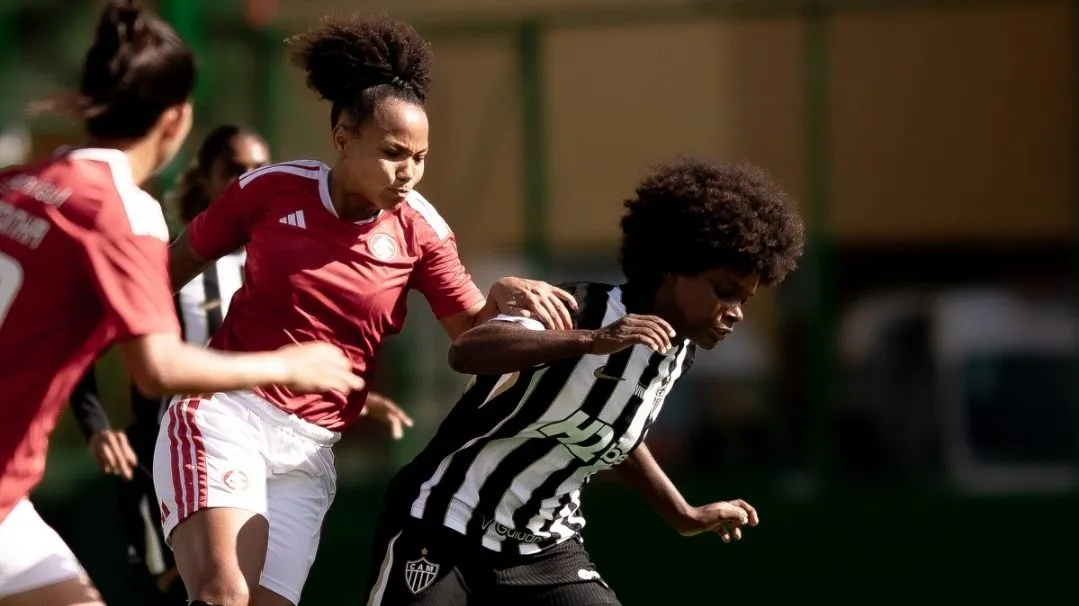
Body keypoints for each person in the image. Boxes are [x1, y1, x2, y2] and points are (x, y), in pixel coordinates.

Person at [156, 12, 576, 606]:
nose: (409, 173)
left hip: (310, 449)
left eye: (421, 157)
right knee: (226, 595)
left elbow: (473, 344)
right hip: (227, 417)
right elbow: (166, 272)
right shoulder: (269, 189)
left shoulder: (423, 232)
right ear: (343, 139)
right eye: (394, 152)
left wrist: (502, 296)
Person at [0, 2, 363, 605]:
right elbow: (159, 367)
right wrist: (288, 365)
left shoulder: (18, 182)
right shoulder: (124, 211)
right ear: (177, 120)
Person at [365, 158, 806, 605]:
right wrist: (590, 340)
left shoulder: (677, 355)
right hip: (443, 524)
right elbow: (468, 351)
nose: (735, 310)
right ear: (673, 268)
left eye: (745, 298)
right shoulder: (579, 308)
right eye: (724, 289)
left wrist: (684, 514)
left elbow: (613, 432)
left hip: (544, 548)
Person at [69, 125, 414, 606]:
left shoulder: (272, 254)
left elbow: (293, 355)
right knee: (204, 590)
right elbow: (96, 331)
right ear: (206, 176)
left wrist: (349, 393)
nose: (248, 178)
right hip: (177, 444)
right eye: (235, 170)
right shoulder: (174, 257)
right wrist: (95, 424)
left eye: (257, 168)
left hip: (268, 444)